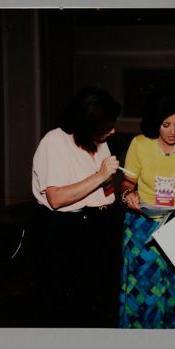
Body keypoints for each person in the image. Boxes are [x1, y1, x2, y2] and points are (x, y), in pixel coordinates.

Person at [31, 86, 122, 327]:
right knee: (69, 308)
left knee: (98, 303)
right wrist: (101, 176)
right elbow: (56, 198)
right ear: (87, 125)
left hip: (99, 225)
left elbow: (104, 190)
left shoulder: (97, 141)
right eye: (106, 126)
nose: (112, 131)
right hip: (68, 230)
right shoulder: (54, 142)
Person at [118, 91, 175, 328]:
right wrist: (129, 194)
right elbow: (126, 183)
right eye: (165, 124)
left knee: (172, 290)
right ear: (154, 122)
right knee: (141, 292)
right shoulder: (140, 144)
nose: (172, 131)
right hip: (141, 227)